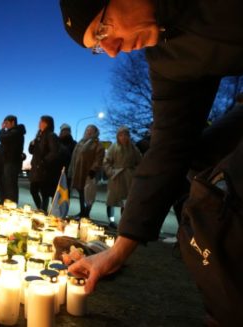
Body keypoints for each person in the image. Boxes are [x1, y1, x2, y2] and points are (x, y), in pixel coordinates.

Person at [59, 0, 243, 323]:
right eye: (100, 47)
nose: (113, 50)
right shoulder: (169, 57)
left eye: (103, 30)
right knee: (204, 176)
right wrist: (117, 252)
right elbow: (169, 146)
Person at [103, 127, 142, 228]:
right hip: (116, 177)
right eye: (121, 135)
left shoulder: (133, 148)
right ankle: (111, 221)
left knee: (126, 202)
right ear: (117, 136)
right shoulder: (113, 147)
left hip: (129, 178)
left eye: (126, 135)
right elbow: (106, 161)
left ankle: (123, 222)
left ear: (129, 136)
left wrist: (135, 172)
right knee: (111, 200)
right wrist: (111, 172)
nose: (123, 137)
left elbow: (140, 162)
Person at [68, 124, 104, 218]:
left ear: (95, 132)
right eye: (87, 129)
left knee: (88, 194)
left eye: (91, 130)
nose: (89, 131)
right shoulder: (81, 142)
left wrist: (93, 169)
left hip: (89, 173)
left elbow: (99, 159)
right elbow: (75, 156)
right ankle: (82, 212)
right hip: (79, 171)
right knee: (80, 192)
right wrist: (72, 169)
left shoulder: (97, 144)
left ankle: (86, 213)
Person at [29, 116, 62, 214]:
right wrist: (32, 144)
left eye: (41, 122)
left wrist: (44, 162)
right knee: (33, 190)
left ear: (46, 124)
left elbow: (54, 152)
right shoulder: (39, 136)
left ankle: (42, 212)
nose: (39, 123)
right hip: (36, 169)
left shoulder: (51, 135)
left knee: (44, 193)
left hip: (45, 170)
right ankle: (41, 210)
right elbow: (31, 151)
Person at [0, 115, 26, 203]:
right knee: (8, 184)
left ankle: (12, 204)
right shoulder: (14, 132)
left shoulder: (16, 132)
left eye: (6, 123)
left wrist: (1, 130)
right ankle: (8, 202)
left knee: (10, 185)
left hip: (12, 162)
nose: (5, 125)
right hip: (9, 161)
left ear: (13, 122)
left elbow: (3, 138)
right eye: (4, 124)